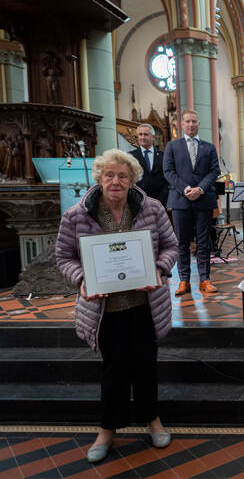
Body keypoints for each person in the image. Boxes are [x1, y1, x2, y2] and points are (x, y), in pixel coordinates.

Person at [54, 149, 179, 463]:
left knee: (146, 365)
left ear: (132, 179)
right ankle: (107, 429)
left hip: (145, 303)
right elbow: (64, 257)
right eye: (109, 175)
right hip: (103, 309)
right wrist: (82, 278)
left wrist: (159, 270)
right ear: (99, 177)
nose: (116, 181)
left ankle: (152, 419)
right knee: (114, 369)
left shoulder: (152, 208)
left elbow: (171, 246)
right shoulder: (77, 215)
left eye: (123, 176)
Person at [163, 109, 221, 295]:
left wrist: (200, 189)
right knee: (182, 242)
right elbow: (168, 171)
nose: (191, 124)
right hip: (181, 200)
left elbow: (214, 171)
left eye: (194, 121)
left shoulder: (209, 147)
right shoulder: (173, 146)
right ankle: (184, 281)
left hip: (204, 200)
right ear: (181, 124)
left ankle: (205, 279)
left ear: (198, 124)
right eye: (187, 121)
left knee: (204, 242)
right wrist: (186, 188)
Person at [129, 124, 168, 206]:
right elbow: (129, 180)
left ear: (153, 137)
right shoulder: (130, 156)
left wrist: (160, 200)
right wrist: (137, 199)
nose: (142, 137)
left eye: (146, 134)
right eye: (140, 134)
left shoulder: (163, 156)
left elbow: (167, 180)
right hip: (137, 202)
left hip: (160, 202)